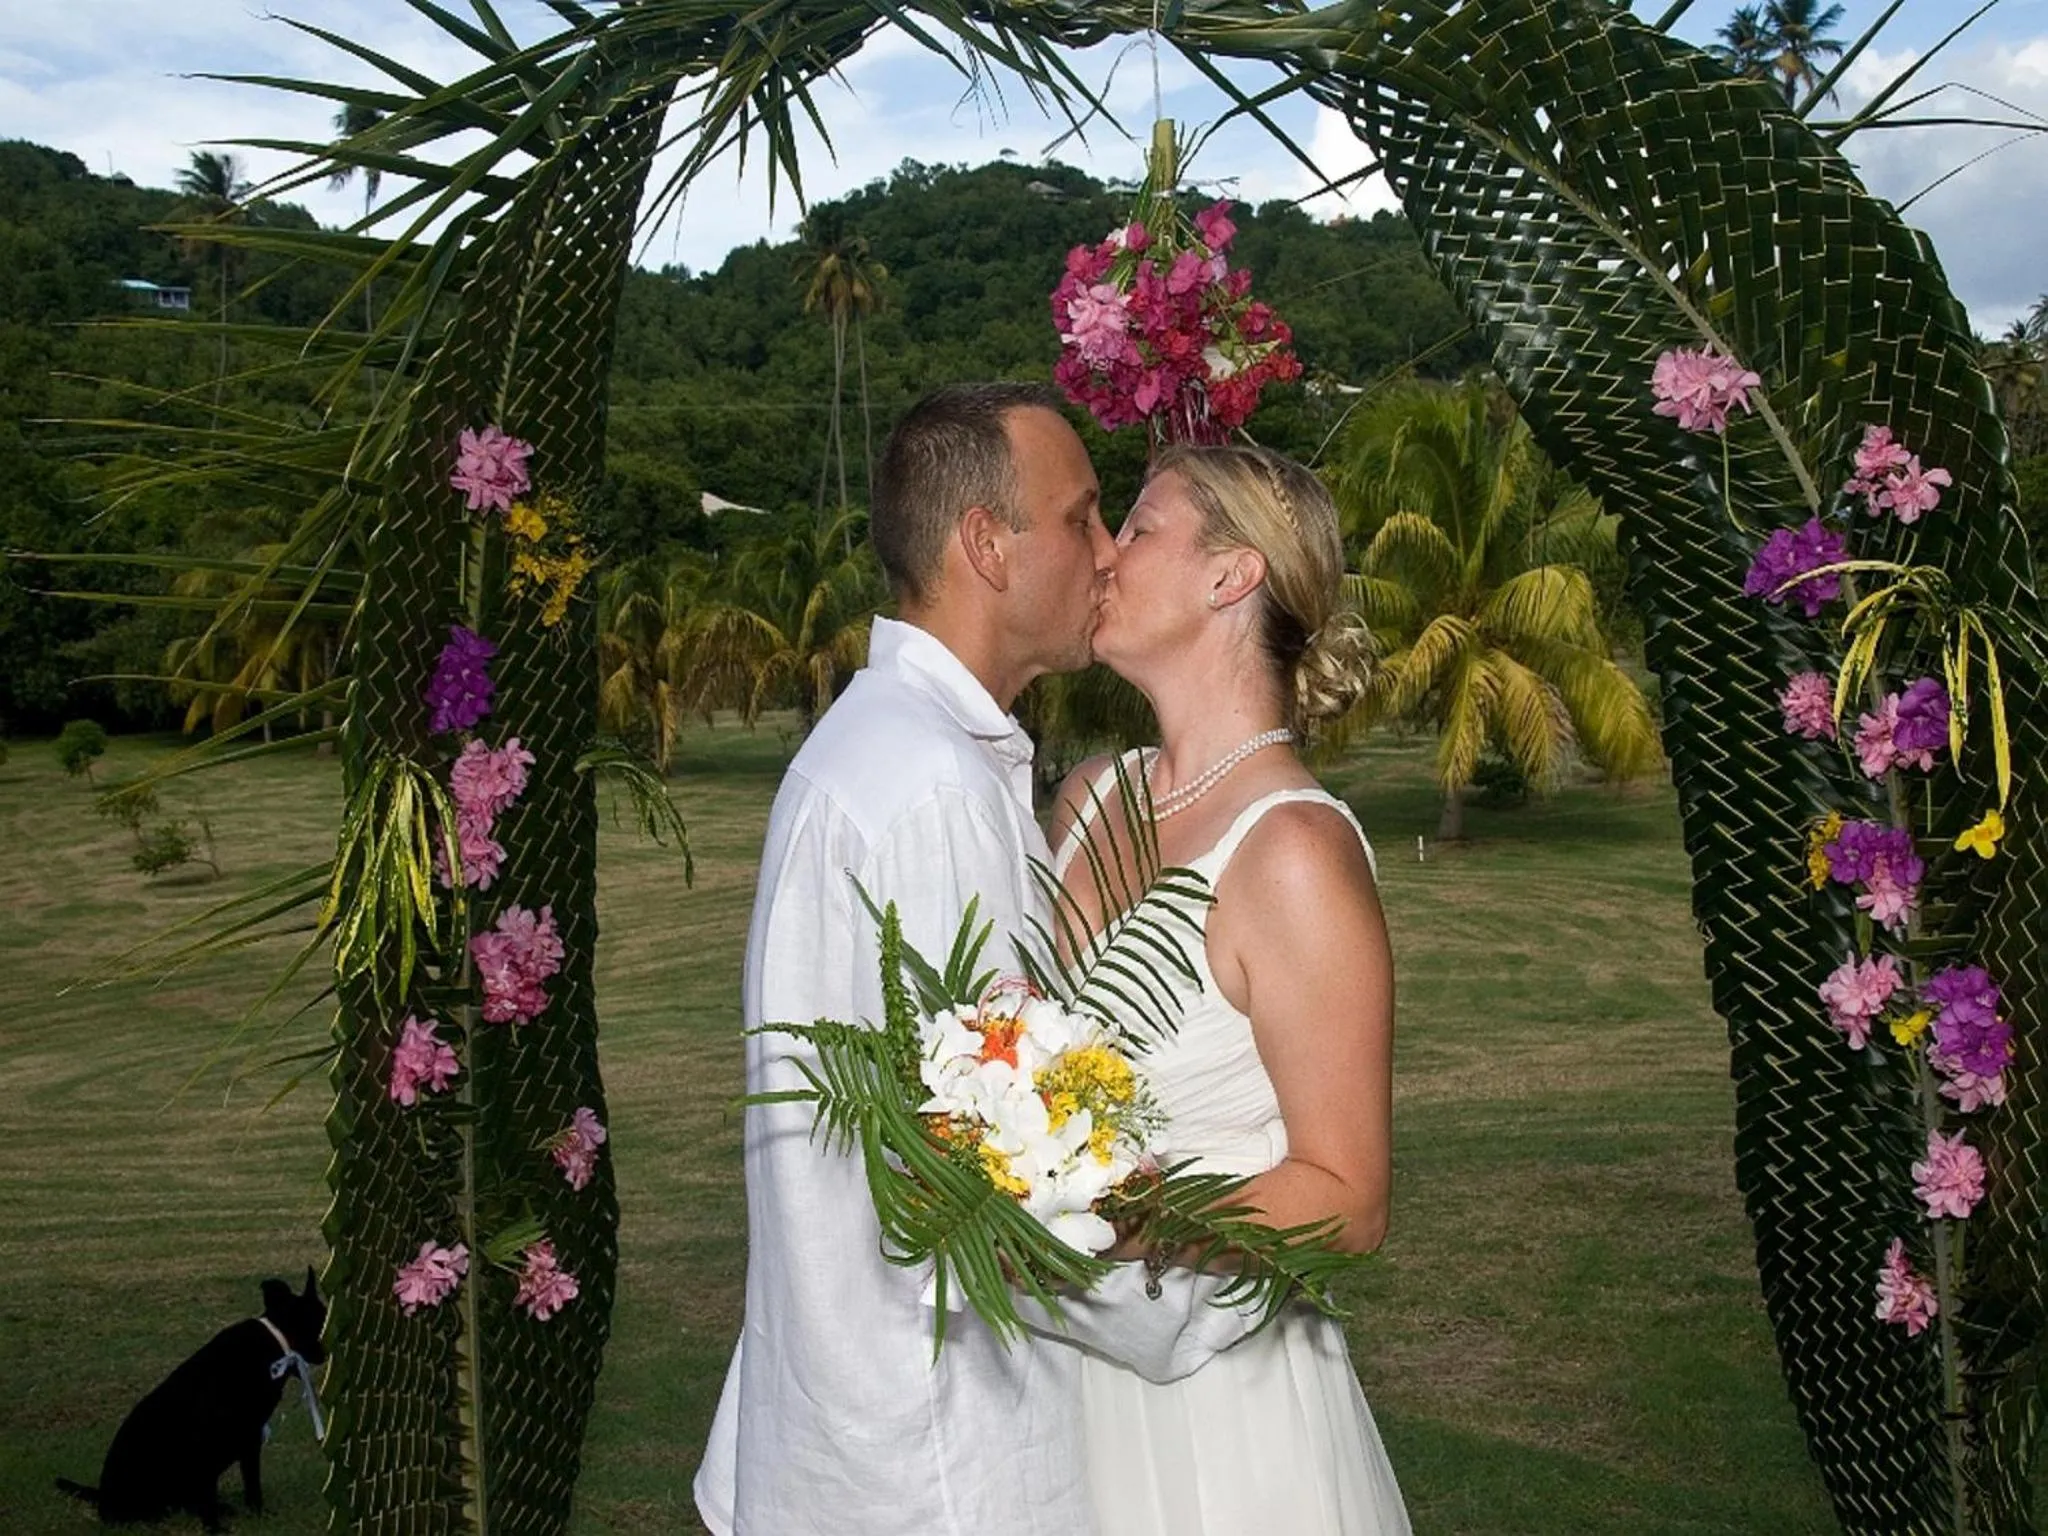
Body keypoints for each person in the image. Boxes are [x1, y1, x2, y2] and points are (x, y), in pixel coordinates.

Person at [692, 382, 1120, 1536]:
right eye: (1079, 517)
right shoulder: (932, 788)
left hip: (860, 1424)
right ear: (986, 543)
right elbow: (990, 1158)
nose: (1106, 550)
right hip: (932, 1457)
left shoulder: (884, 743)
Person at [1047, 442, 1411, 1535]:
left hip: (1221, 1425)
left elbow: (1348, 1197)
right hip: (1050, 1388)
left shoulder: (1293, 851)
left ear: (1229, 574)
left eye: (1138, 527)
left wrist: (1111, 1218)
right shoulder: (1085, 800)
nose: (1103, 554)